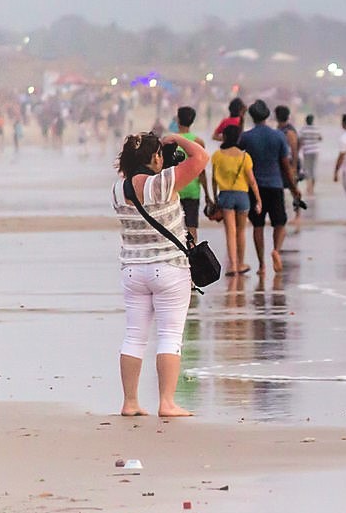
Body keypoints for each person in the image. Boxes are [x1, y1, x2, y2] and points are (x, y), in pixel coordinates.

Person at [111, 130, 208, 417]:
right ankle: (166, 402)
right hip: (169, 270)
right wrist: (176, 138)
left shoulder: (117, 190)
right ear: (156, 157)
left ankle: (130, 402)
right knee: (169, 336)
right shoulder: (164, 182)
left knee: (134, 336)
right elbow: (201, 157)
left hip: (132, 270)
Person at [238, 100, 303, 273]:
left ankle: (262, 265)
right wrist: (293, 187)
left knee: (258, 225)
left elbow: (236, 152)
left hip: (255, 188)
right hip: (275, 185)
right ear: (267, 116)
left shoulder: (247, 137)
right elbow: (285, 165)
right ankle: (276, 250)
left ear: (253, 117)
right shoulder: (278, 136)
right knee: (280, 222)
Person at [211, 124, 262, 276]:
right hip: (242, 196)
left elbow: (214, 179)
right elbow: (252, 180)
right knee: (241, 231)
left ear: (225, 137)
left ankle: (232, 265)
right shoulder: (245, 157)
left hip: (225, 195)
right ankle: (240, 263)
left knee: (230, 232)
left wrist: (214, 197)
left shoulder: (217, 155)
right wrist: (258, 200)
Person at [174, 106, 212, 243]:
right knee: (191, 227)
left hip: (174, 190)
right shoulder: (198, 142)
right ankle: (192, 258)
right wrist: (207, 194)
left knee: (174, 227)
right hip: (193, 190)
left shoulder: (171, 141)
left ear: (178, 119)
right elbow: (201, 171)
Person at [274, 105, 301, 223]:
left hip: (289, 163)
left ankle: (298, 215)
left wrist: (294, 168)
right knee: (280, 190)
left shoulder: (289, 131)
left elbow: (294, 150)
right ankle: (282, 214)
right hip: (280, 163)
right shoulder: (279, 130)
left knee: (293, 189)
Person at [298, 114, 323, 196]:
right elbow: (320, 138)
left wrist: (298, 150)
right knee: (313, 169)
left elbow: (300, 140)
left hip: (307, 151)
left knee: (307, 169)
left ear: (306, 121)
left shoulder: (303, 129)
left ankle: (309, 188)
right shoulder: (316, 129)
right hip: (315, 151)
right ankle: (312, 188)